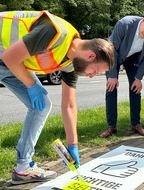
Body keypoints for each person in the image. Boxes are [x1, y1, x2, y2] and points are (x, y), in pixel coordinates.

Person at [0, 10, 114, 184]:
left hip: (9, 63)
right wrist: (31, 85)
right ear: (90, 56)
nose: (92, 76)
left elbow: (69, 105)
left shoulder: (70, 64)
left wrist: (73, 145)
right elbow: (10, 57)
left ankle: (23, 168)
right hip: (7, 57)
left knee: (42, 105)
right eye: (96, 71)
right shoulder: (54, 32)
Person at [100, 12, 144, 138]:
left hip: (133, 58)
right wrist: (113, 75)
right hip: (114, 55)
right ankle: (111, 126)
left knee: (135, 88)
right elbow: (112, 49)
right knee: (111, 88)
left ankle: (136, 124)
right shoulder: (125, 24)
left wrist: (138, 78)